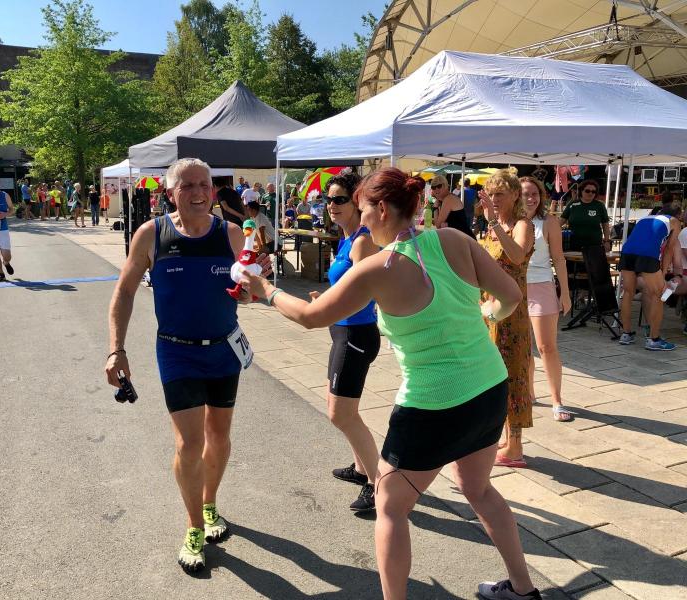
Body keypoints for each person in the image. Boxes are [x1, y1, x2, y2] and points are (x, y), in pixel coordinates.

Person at [240, 167, 540, 600]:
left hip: (433, 403)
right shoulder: (453, 240)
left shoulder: (378, 267)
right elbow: (510, 295)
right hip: (490, 386)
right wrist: (484, 315)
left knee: (390, 505)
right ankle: (524, 590)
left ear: (382, 209)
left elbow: (308, 317)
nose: (361, 221)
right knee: (478, 489)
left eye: (362, 210)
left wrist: (265, 290)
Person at [106, 158, 271, 573]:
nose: (199, 192)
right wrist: (116, 349)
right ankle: (194, 525)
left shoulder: (229, 233)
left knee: (219, 437)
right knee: (188, 445)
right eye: (188, 186)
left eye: (204, 185)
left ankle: (210, 504)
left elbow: (245, 292)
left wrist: (252, 287)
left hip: (223, 349)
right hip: (177, 352)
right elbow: (124, 292)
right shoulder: (152, 234)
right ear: (170, 193)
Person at [317, 171, 382, 512]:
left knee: (340, 414)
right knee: (341, 408)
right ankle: (361, 468)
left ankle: (377, 483)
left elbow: (364, 294)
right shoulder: (346, 238)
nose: (332, 205)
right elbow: (346, 289)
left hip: (356, 334)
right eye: (328, 199)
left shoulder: (362, 242)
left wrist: (325, 307)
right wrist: (327, 300)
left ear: (356, 202)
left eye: (340, 199)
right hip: (342, 331)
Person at [478, 170, 535, 468]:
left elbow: (516, 256)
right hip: (489, 312)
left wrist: (492, 224)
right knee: (494, 374)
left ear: (515, 195)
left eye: (500, 194)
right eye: (490, 194)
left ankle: (516, 446)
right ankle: (505, 436)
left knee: (513, 374)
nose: (494, 199)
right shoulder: (493, 227)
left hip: (512, 313)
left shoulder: (521, 225)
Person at [521, 176, 573, 422]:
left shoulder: (549, 221)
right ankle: (528, 393)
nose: (531, 198)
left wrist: (565, 293)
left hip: (542, 285)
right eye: (525, 193)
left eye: (535, 193)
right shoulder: (509, 221)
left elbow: (559, 259)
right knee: (522, 347)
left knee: (546, 347)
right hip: (515, 287)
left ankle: (556, 400)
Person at [617, 206, 683, 350]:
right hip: (647, 254)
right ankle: (654, 339)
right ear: (677, 215)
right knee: (657, 295)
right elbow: (669, 250)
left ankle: (626, 334)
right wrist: (663, 274)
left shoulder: (645, 219)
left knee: (628, 293)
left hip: (627, 252)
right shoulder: (674, 221)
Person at [559, 180, 611, 252]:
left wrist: (607, 241)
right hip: (573, 245)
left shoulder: (600, 205)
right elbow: (559, 223)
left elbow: (605, 225)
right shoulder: (572, 205)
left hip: (594, 245)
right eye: (587, 191)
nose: (590, 193)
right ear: (581, 191)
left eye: (593, 192)